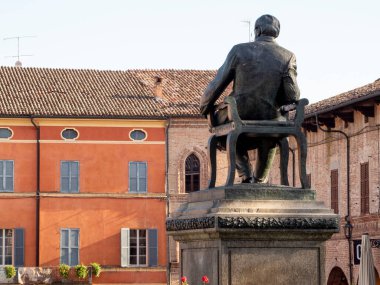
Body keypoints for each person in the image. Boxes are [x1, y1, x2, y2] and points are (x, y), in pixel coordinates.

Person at [200, 14, 300, 183]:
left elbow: (218, 83)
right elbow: (293, 95)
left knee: (223, 125)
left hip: (240, 113)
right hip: (271, 117)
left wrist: (204, 106)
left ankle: (245, 174)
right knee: (271, 134)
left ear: (257, 30)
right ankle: (260, 178)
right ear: (277, 33)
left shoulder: (239, 50)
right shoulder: (288, 56)